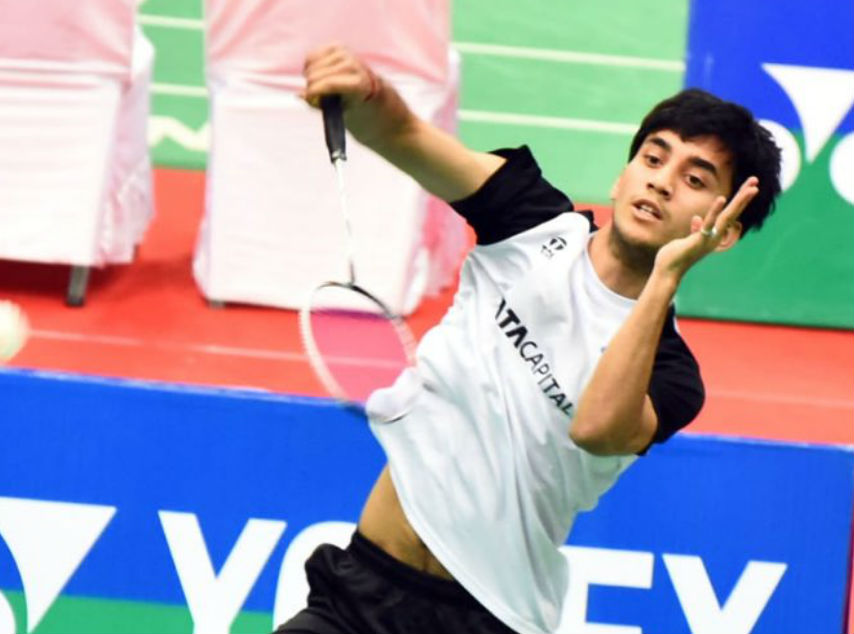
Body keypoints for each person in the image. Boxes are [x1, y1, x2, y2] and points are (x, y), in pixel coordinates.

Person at [277, 44, 782, 634]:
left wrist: (666, 277)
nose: (662, 183)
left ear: (725, 233)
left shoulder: (671, 374)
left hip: (488, 618)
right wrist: (366, 92)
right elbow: (402, 134)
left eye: (694, 179)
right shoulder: (527, 216)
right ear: (622, 176)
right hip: (359, 590)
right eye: (652, 158)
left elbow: (596, 429)